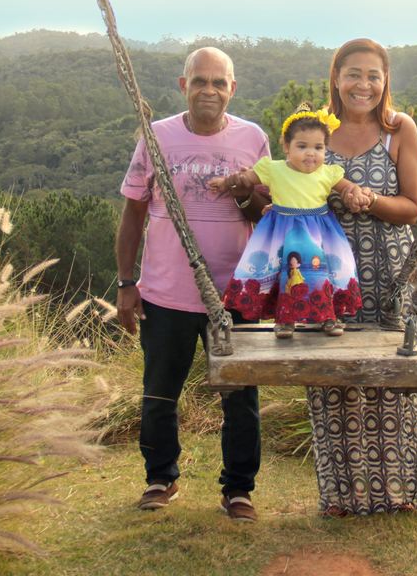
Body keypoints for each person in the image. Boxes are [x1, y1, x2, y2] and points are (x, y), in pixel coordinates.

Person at [306, 37, 417, 516]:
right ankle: (343, 495)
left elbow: (413, 207)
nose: (364, 84)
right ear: (336, 77)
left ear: (385, 81)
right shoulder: (314, 130)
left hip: (389, 274)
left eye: (374, 75)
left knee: (400, 380)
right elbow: (293, 193)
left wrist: (367, 200)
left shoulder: (400, 130)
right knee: (335, 380)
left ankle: (403, 494)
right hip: (329, 274)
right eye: (354, 73)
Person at [116, 46, 269, 523]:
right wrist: (126, 282)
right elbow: (134, 211)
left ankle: (239, 489)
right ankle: (161, 477)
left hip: (234, 293)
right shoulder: (157, 136)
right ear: (183, 86)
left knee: (241, 396)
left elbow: (264, 215)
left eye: (219, 82)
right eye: (200, 81)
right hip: (166, 292)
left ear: (232, 88)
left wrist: (246, 194)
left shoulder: (253, 138)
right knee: (161, 392)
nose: (209, 90)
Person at [210, 104, 365, 338]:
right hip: (281, 232)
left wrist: (357, 192)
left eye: (318, 147)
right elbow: (246, 179)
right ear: (286, 146)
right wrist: (225, 182)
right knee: (285, 276)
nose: (311, 153)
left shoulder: (328, 172)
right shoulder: (274, 169)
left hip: (319, 234)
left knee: (321, 273)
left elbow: (348, 188)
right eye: (302, 146)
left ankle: (328, 317)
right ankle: (284, 319)